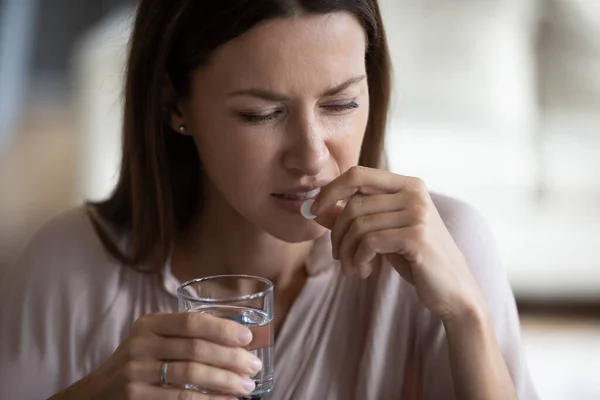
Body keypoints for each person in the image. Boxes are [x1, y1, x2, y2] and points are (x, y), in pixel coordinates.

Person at [0, 0, 538, 399]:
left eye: (341, 103)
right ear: (174, 103)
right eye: (262, 113)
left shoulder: (450, 246)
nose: (310, 156)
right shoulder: (68, 265)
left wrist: (467, 317)